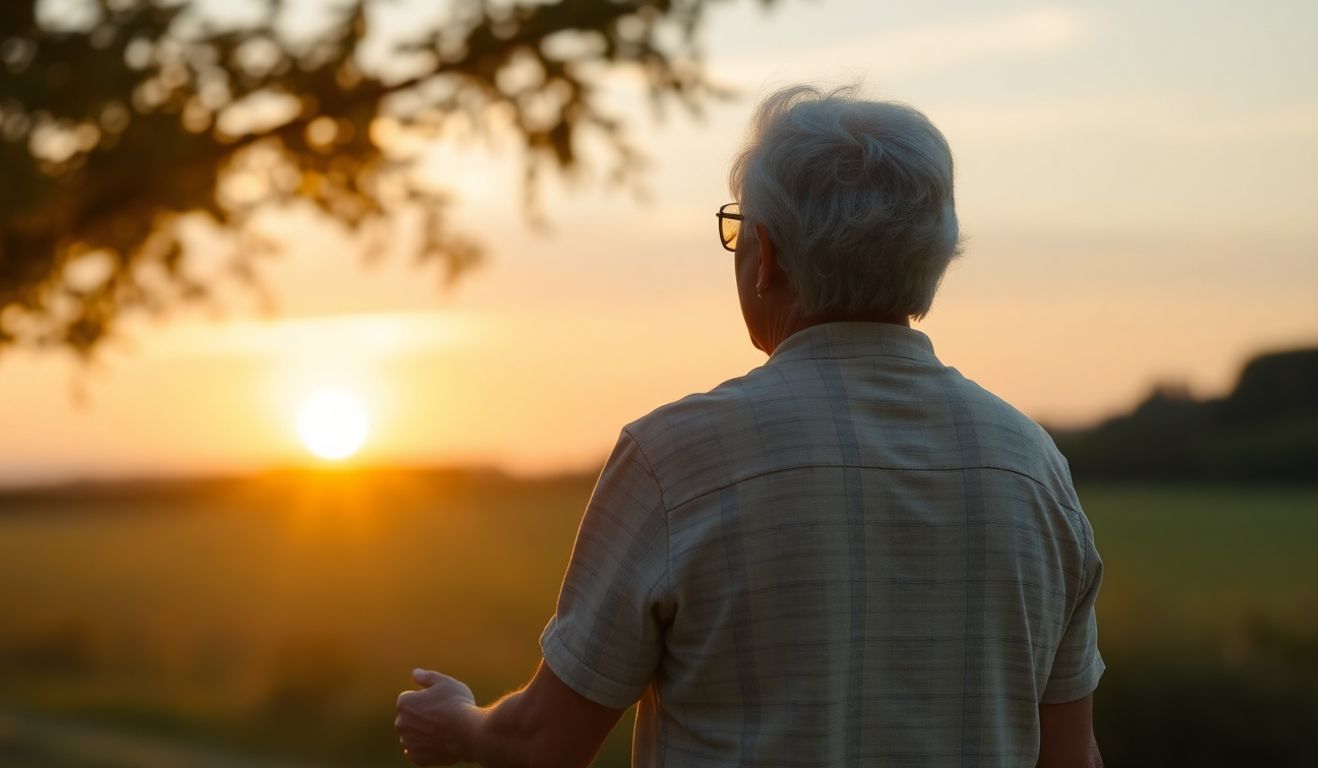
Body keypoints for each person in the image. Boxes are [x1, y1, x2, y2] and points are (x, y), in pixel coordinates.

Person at [394, 84, 1105, 768]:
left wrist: (457, 724)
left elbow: (544, 743)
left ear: (765, 255)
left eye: (737, 230)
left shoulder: (675, 460)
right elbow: (1071, 758)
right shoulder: (1032, 468)